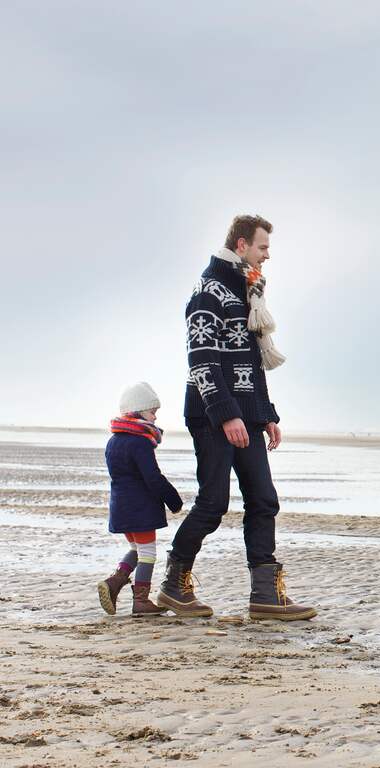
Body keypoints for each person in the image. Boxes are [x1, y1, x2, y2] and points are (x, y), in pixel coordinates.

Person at [156, 214, 316, 621]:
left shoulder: (247, 292)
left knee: (264, 500)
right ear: (242, 245)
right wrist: (227, 416)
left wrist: (265, 415)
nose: (267, 255)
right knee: (213, 504)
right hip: (213, 416)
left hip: (247, 417)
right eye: (263, 247)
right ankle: (174, 585)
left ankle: (266, 596)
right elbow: (202, 361)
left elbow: (250, 364)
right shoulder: (208, 290)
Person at [98, 382, 182, 617]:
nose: (155, 417)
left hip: (120, 507)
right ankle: (141, 601)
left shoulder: (113, 441)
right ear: (136, 412)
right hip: (140, 508)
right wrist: (173, 500)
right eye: (152, 411)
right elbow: (152, 478)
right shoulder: (140, 442)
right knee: (148, 553)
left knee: (136, 549)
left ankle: (115, 583)